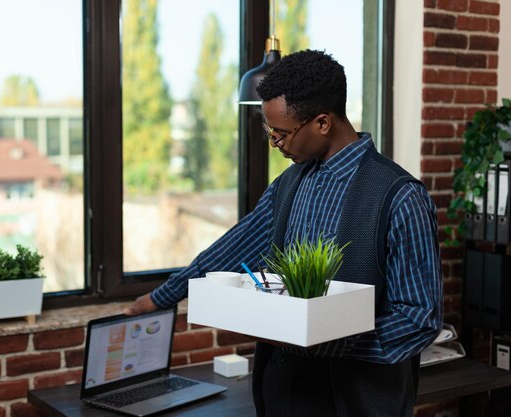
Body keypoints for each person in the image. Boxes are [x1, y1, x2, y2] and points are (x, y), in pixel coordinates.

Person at [124, 49, 442, 417]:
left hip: (360, 397)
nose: (275, 144)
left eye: (281, 133)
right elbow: (236, 247)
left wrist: (329, 343)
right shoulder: (288, 185)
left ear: (322, 122)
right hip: (283, 391)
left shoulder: (400, 196)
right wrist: (163, 297)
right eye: (269, 132)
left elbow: (419, 318)